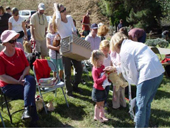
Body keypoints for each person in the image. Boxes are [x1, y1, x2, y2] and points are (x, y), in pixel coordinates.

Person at [106, 32, 164, 127]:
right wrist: (115, 69)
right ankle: (145, 125)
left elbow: (132, 73)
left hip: (147, 75)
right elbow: (128, 67)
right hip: (158, 73)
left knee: (140, 106)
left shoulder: (125, 51)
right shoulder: (134, 44)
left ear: (115, 44)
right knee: (146, 104)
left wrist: (138, 86)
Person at [0, 30, 39, 126]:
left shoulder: (19, 51)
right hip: (9, 85)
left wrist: (22, 76)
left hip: (23, 79)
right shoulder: (1, 57)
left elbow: (27, 66)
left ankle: (27, 111)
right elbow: (2, 76)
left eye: (15, 40)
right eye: (11, 41)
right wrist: (17, 82)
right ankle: (32, 119)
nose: (15, 43)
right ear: (5, 43)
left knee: (30, 80)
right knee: (30, 90)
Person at [53, 3, 82, 97]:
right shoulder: (58, 22)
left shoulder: (69, 17)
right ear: (58, 12)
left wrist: (75, 34)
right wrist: (56, 7)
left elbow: (74, 29)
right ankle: (69, 91)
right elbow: (57, 18)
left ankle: (75, 85)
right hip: (65, 45)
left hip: (73, 44)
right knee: (67, 71)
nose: (65, 11)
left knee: (79, 67)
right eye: (62, 11)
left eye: (65, 9)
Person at [91, 50, 108, 122]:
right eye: (101, 61)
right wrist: (104, 77)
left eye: (102, 61)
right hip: (97, 89)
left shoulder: (102, 66)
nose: (102, 63)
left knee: (102, 103)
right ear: (95, 60)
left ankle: (102, 115)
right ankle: (96, 116)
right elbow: (96, 81)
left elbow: (105, 72)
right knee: (98, 104)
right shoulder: (95, 70)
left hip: (103, 88)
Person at [99, 40, 112, 107]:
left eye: (106, 50)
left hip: (107, 75)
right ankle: (100, 102)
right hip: (101, 76)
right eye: (103, 50)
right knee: (101, 90)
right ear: (100, 49)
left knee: (107, 89)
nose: (105, 52)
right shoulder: (100, 57)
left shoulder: (109, 56)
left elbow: (110, 63)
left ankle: (105, 101)